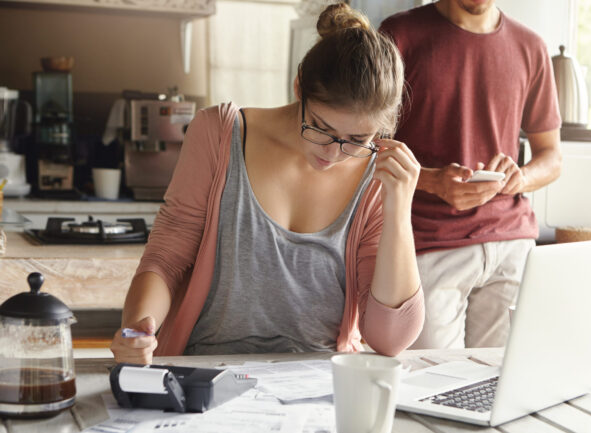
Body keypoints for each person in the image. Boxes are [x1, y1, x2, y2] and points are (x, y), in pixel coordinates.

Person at [111, 3, 424, 364]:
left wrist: (399, 211)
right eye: (321, 127)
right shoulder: (218, 134)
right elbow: (166, 259)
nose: (334, 153)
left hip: (319, 387)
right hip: (207, 371)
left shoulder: (375, 175)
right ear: (298, 87)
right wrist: (138, 330)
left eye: (356, 138)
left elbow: (390, 340)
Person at [379, 0, 562, 349]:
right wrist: (432, 180)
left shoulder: (531, 47)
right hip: (427, 245)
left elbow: (552, 157)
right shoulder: (398, 36)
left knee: (503, 388)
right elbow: (364, 148)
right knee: (429, 387)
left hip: (511, 246)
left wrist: (520, 178)